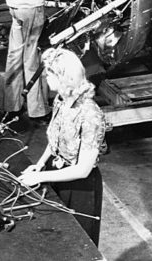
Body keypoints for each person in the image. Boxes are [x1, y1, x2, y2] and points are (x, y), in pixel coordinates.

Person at [19, 47, 105, 245]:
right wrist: (40, 164)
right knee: (56, 237)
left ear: (64, 77)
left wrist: (39, 177)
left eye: (50, 73)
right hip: (55, 173)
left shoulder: (90, 114)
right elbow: (54, 139)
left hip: (80, 187)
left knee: (78, 244)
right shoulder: (61, 100)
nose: (46, 77)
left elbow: (82, 170)